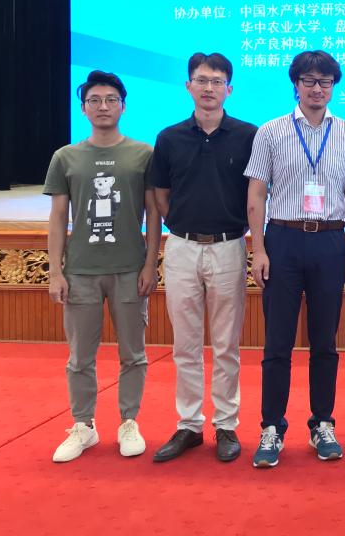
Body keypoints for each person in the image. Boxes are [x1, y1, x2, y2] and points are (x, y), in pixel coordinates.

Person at [244, 50, 345, 467]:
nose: (317, 88)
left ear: (333, 86)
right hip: (283, 240)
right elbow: (257, 192)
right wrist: (259, 249)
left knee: (325, 342)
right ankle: (271, 428)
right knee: (277, 341)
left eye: (325, 81)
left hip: (330, 241)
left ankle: (322, 423)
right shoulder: (271, 131)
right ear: (295, 84)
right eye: (309, 80)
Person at [44, 70, 160, 462]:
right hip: (80, 271)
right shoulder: (66, 157)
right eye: (94, 100)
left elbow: (154, 213)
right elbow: (58, 217)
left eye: (111, 99)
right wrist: (55, 271)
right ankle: (83, 426)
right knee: (80, 357)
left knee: (133, 354)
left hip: (129, 269)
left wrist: (150, 263)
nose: (103, 106)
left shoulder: (143, 154)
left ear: (123, 106)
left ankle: (129, 422)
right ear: (83, 108)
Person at [150, 53, 257, 463]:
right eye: (201, 80)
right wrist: (182, 225)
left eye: (216, 81)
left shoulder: (248, 135)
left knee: (227, 344)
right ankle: (189, 425)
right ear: (188, 86)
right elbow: (161, 195)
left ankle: (226, 424)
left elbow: (256, 193)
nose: (208, 87)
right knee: (186, 344)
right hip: (181, 247)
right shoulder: (169, 137)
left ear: (229, 88)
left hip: (230, 246)